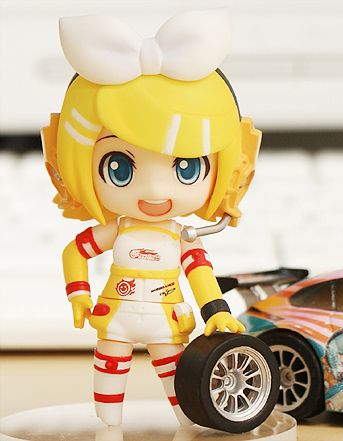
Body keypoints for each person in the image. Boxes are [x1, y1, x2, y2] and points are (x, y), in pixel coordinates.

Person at [41, 10, 260, 426]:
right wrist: (78, 294)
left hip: (167, 321)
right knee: (108, 387)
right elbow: (75, 251)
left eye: (186, 168)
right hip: (114, 318)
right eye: (119, 168)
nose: (155, 192)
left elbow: (200, 273)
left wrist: (215, 310)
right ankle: (109, 428)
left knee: (182, 388)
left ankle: (188, 425)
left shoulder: (182, 237)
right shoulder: (117, 229)